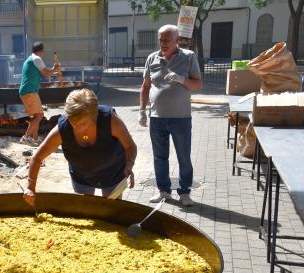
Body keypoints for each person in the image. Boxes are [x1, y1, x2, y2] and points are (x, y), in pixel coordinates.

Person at [22, 89, 137, 205]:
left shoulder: (110, 121)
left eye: (82, 124)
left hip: (113, 172)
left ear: (94, 117)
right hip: (81, 175)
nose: (77, 128)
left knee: (111, 209)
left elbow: (130, 146)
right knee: (85, 209)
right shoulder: (63, 129)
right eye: (73, 122)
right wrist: (31, 187)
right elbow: (37, 158)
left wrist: (129, 164)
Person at [139, 24, 203, 207]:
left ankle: (184, 193)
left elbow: (198, 84)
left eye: (167, 40)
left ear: (177, 40)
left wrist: (182, 79)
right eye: (160, 39)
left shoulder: (188, 57)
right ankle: (164, 191)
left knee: (184, 157)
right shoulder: (152, 58)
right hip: (157, 118)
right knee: (160, 157)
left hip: (181, 118)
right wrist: (142, 111)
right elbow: (145, 87)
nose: (163, 43)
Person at [19, 42, 60, 144]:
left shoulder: (30, 59)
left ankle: (35, 138)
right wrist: (55, 69)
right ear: (41, 51)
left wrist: (54, 71)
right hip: (29, 91)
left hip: (27, 90)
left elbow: (46, 72)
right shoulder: (37, 59)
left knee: (37, 116)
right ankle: (25, 137)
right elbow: (46, 73)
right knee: (39, 116)